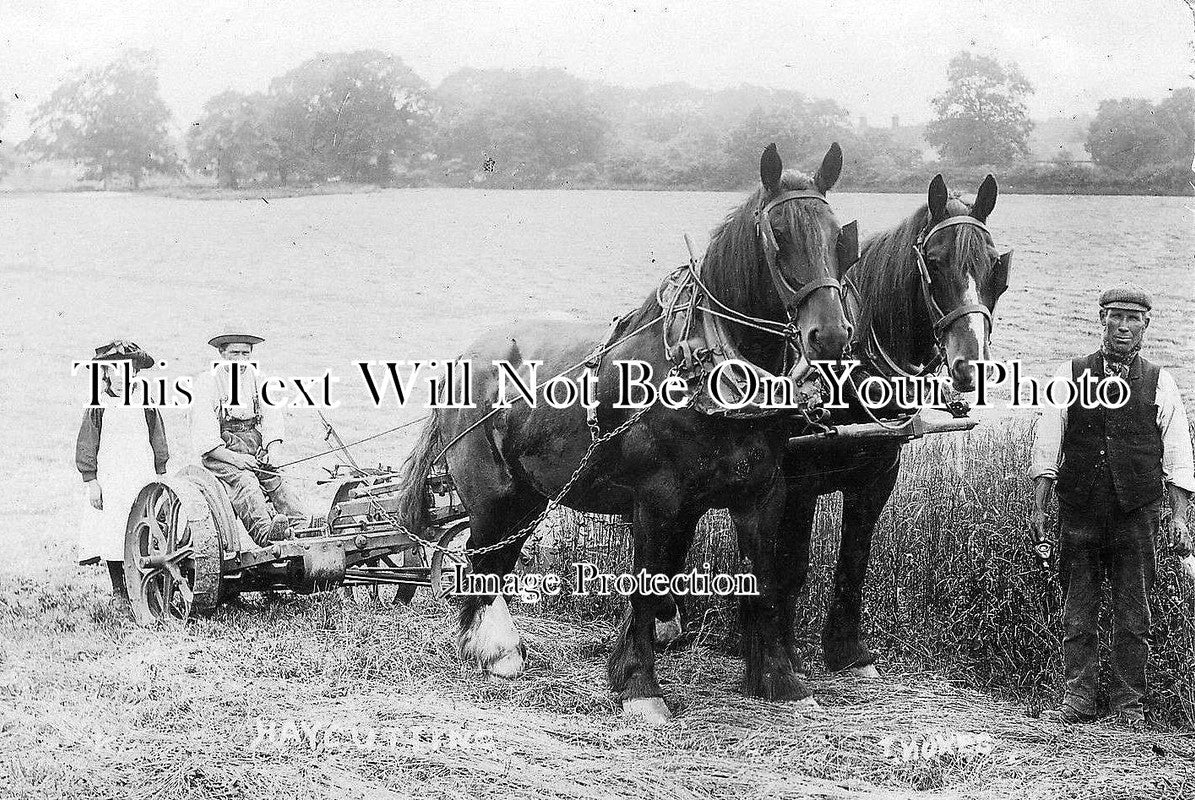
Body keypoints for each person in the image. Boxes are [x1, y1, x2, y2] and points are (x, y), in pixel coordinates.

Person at [1030, 286, 1194, 729]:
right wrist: (1040, 507)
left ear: (1146, 325)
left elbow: (1178, 452)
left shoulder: (1160, 381)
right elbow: (1048, 442)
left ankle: (1128, 708)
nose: (1123, 326)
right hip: (1079, 511)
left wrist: (1179, 516)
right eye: (1115, 317)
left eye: (1132, 319)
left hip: (1135, 515)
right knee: (1078, 610)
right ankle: (1077, 700)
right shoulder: (1071, 373)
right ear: (1101, 319)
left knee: (1132, 614)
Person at [191, 330, 305, 547]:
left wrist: (273, 452)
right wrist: (236, 459)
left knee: (278, 482)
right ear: (221, 353)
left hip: (253, 446)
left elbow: (272, 418)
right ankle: (266, 535)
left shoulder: (258, 379)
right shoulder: (208, 382)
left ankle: (302, 529)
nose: (241, 360)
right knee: (247, 482)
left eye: (246, 354)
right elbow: (205, 438)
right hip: (222, 454)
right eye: (235, 353)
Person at [76, 340, 169, 599]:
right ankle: (119, 589)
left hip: (140, 475)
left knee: (144, 527)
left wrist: (160, 473)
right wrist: (91, 481)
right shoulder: (99, 403)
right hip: (111, 478)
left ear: (136, 373)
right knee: (112, 531)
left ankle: (146, 585)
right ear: (104, 373)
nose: (120, 377)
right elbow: (87, 443)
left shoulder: (145, 400)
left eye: (127, 370)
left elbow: (157, 437)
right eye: (114, 370)